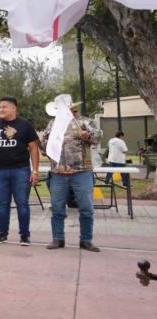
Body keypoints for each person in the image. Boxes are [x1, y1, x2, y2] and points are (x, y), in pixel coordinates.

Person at [40, 96, 103, 252]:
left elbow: (98, 137)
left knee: (86, 208)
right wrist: (45, 145)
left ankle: (86, 240)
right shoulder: (53, 124)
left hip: (82, 172)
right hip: (58, 172)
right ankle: (58, 239)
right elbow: (45, 145)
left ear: (72, 109)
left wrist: (88, 136)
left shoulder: (85, 122)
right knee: (57, 208)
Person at [0, 97, 40, 246]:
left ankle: (24, 235)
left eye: (4, 107)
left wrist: (35, 171)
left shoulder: (25, 125)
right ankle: (2, 234)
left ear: (13, 108)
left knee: (22, 204)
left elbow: (33, 148)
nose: (0, 110)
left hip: (21, 170)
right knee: (2, 204)